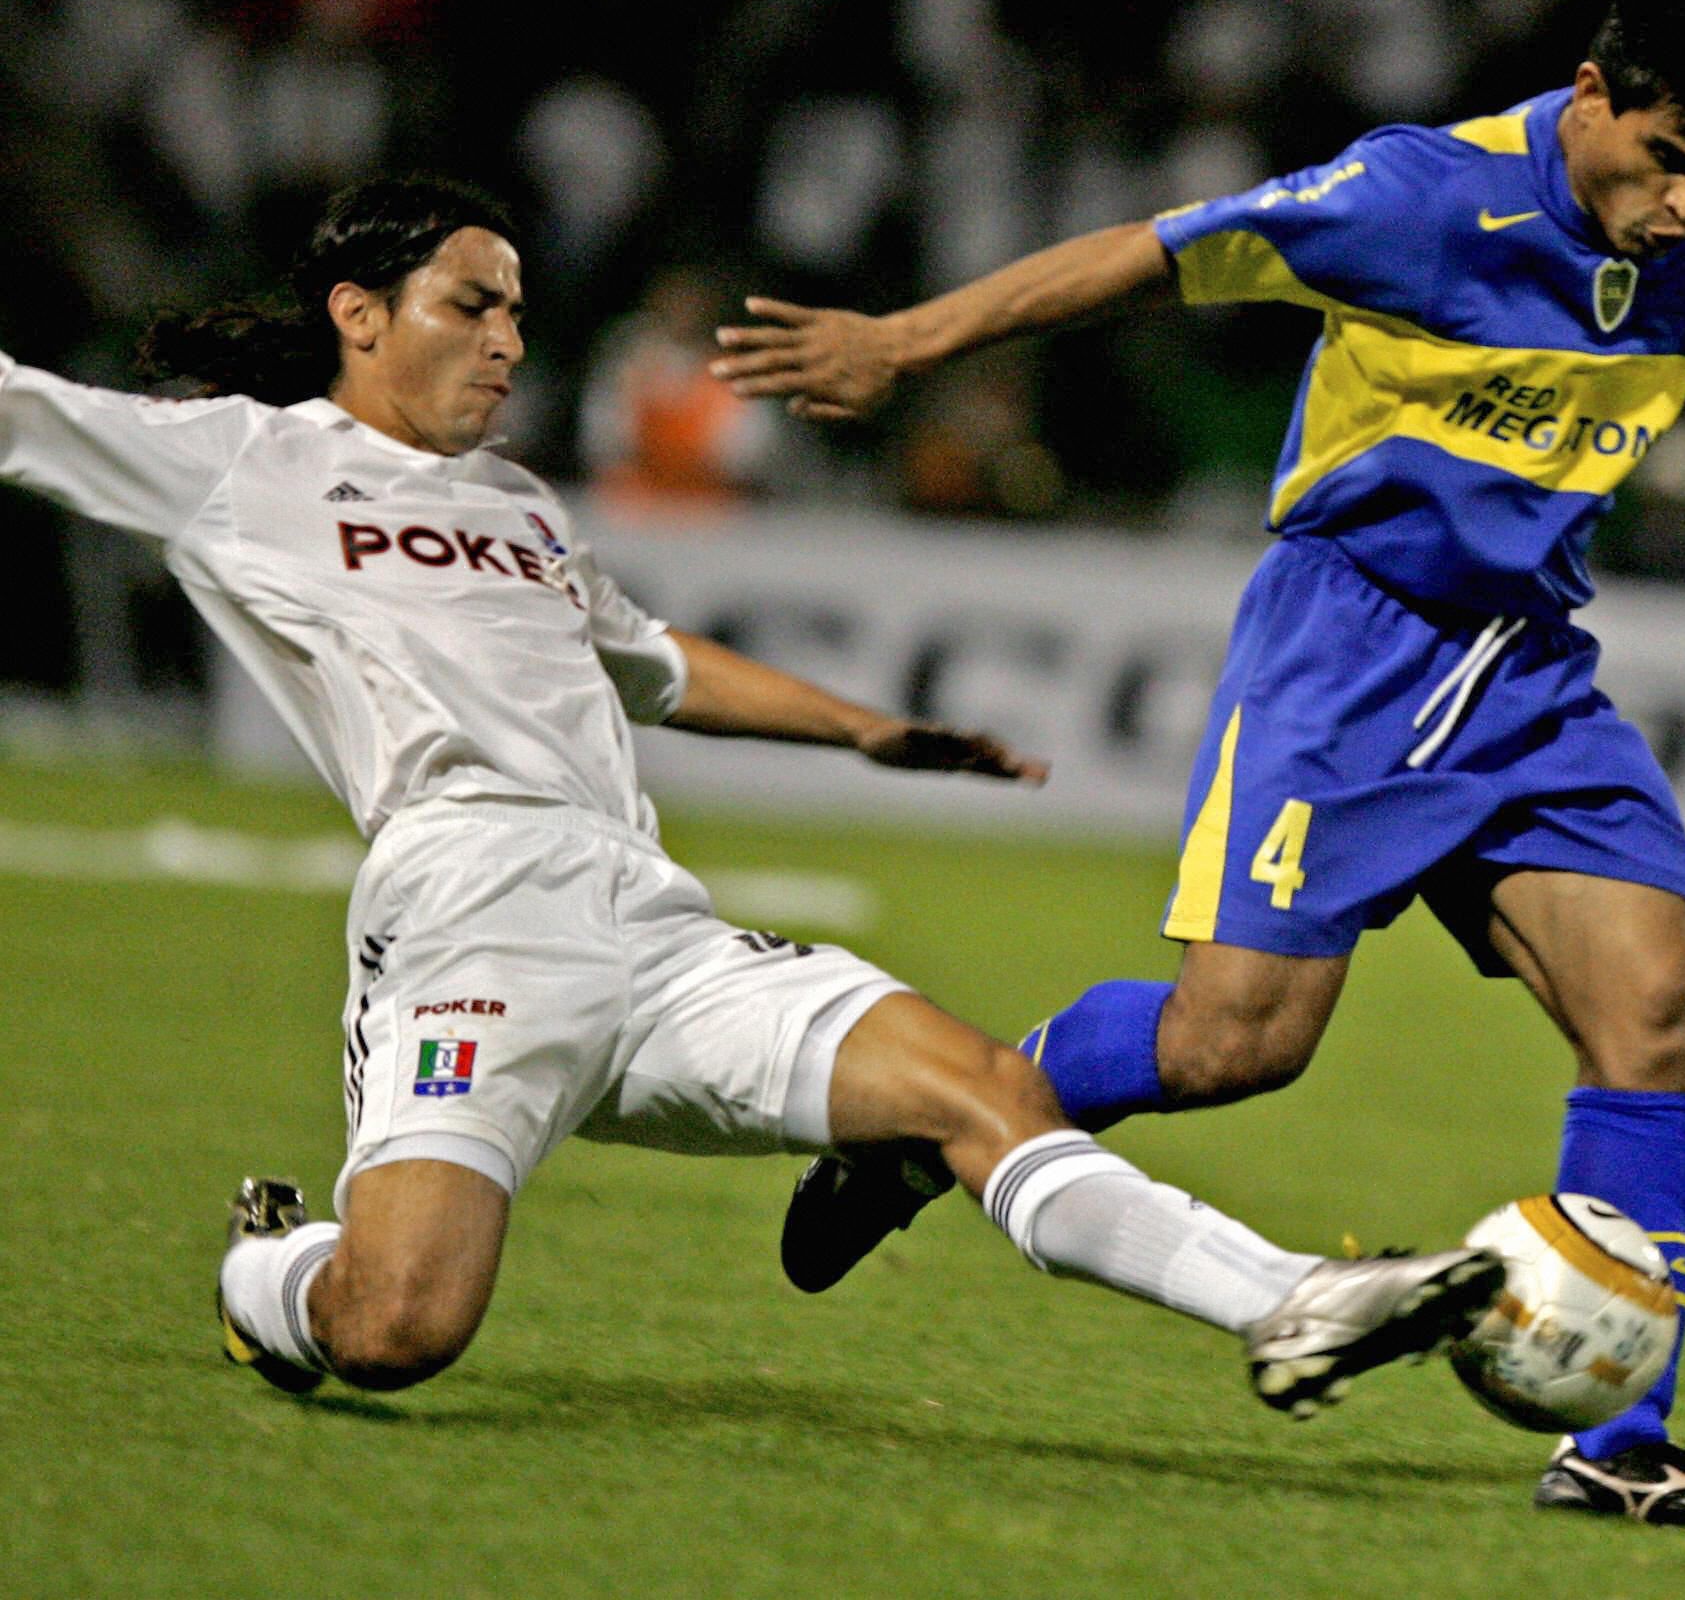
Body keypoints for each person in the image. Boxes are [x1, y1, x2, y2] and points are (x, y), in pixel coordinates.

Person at [715, 0, 1685, 1529]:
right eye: (1669, 164)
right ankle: (945, 1113)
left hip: (1527, 674)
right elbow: (1159, 252)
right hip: (1348, 656)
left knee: (1659, 1020)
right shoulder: (1420, 199)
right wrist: (907, 345)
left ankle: (1616, 1438)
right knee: (1234, 1046)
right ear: (1592, 98)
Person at [0, 176, 1509, 1417]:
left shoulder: (517, 507)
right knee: (396, 1328)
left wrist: (866, 733)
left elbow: (656, 664)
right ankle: (272, 1283)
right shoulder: (243, 468)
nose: (511, 342)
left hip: (651, 923)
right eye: (474, 306)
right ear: (358, 315)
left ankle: (1293, 1300)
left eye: (520, 311)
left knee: (981, 1087)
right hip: (466, 927)